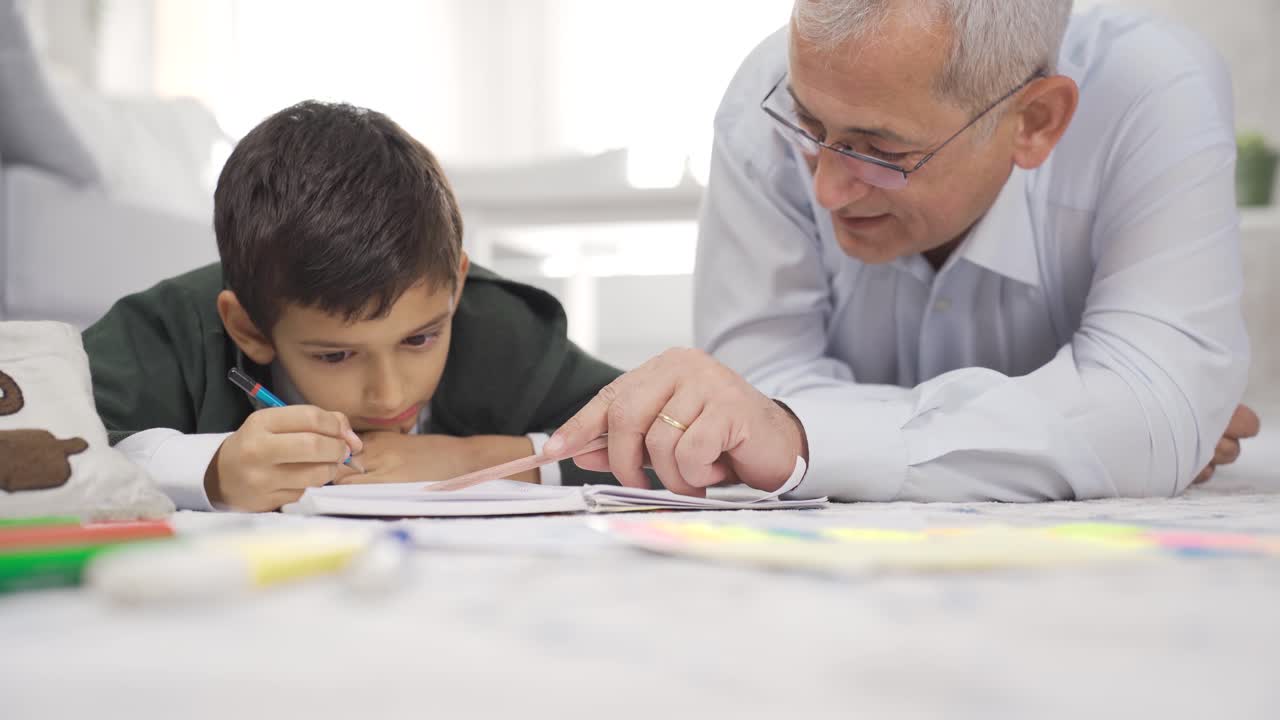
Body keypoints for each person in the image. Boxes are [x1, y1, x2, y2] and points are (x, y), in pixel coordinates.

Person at [546, 0, 1261, 502]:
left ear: (1035, 122)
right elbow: (756, 397)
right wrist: (1093, 438)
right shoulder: (764, 94)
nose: (825, 190)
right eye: (807, 126)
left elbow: (1146, 411)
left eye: (879, 151)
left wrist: (801, 434)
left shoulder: (1154, 93)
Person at [84, 101, 621, 512]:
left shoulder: (501, 329)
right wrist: (211, 471)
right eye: (335, 355)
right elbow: (28, 446)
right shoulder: (166, 331)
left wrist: (477, 459)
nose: (390, 395)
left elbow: (666, 447)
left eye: (420, 339)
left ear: (456, 286)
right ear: (246, 327)